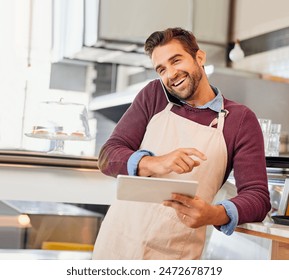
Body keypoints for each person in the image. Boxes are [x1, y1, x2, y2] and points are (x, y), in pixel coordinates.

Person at [92, 27, 271, 260]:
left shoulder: (239, 120)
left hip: (175, 254)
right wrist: (156, 163)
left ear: (199, 57)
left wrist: (215, 214)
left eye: (176, 60)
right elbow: (108, 156)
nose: (171, 74)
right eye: (161, 69)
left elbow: (258, 197)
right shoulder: (154, 95)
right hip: (118, 244)